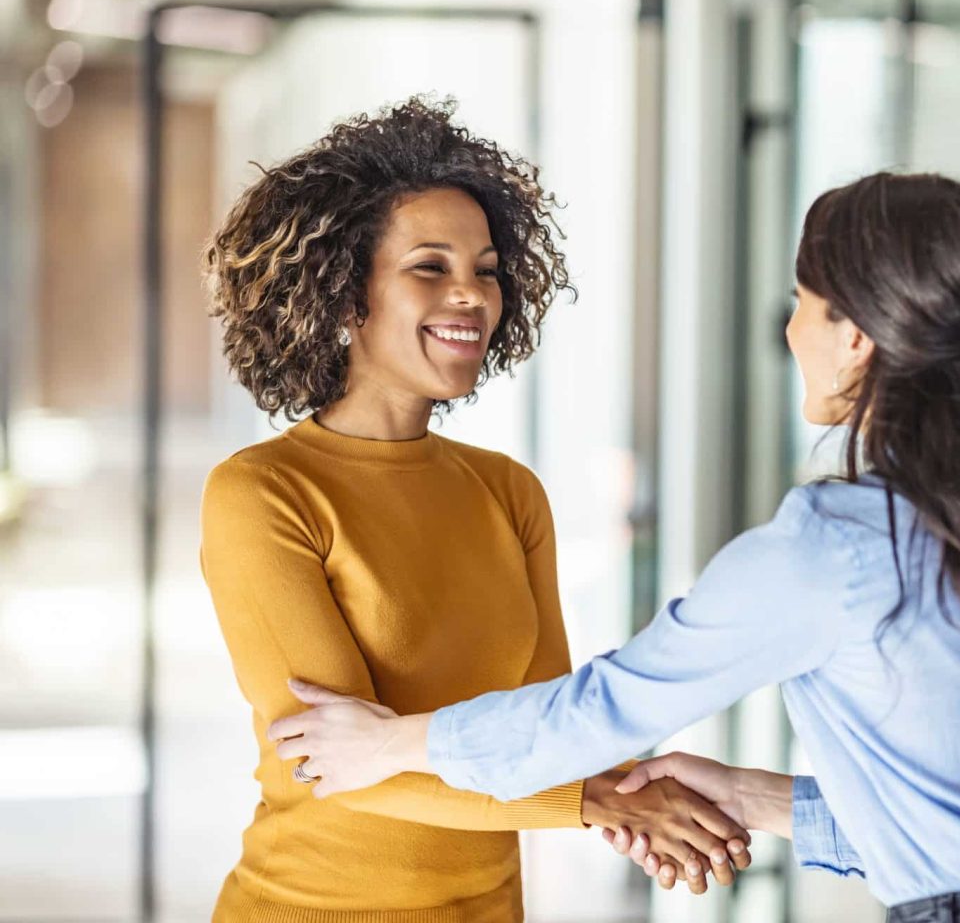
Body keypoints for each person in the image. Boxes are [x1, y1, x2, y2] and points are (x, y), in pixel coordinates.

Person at [271, 171, 960, 922]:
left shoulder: (836, 545)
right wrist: (751, 798)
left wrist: (393, 742)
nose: (791, 328)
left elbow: (604, 710)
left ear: (855, 339)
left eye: (803, 301)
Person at [198, 96, 749, 922]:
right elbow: (337, 763)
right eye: (430, 267)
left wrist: (612, 789)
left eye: (487, 270)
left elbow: (549, 733)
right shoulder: (263, 493)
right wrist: (601, 802)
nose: (472, 296)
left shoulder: (508, 492)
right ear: (347, 297)